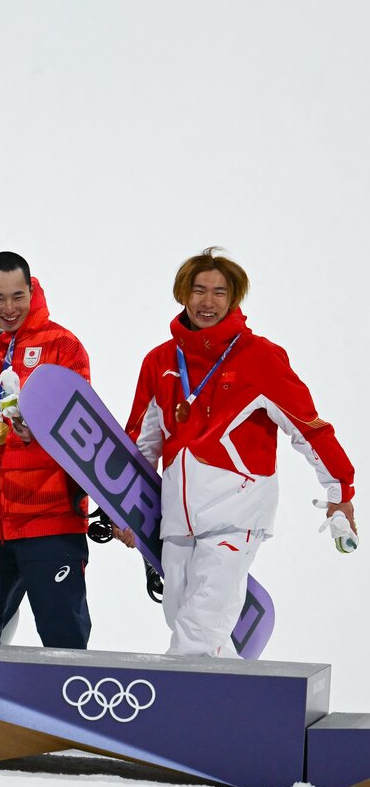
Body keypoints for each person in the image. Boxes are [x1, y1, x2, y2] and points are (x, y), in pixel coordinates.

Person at [126, 248, 356, 658]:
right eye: (199, 290)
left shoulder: (259, 357)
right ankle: (236, 709)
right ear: (184, 294)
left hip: (236, 513)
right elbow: (143, 444)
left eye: (219, 292)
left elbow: (309, 428)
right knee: (184, 617)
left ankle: (180, 717)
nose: (207, 302)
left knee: (199, 629)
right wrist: (126, 512)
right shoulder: (159, 361)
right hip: (178, 519)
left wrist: (341, 492)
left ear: (234, 299)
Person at [0, 250, 130, 648]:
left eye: (18, 296)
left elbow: (84, 437)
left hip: (50, 521)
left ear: (32, 289)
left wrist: (38, 434)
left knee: (64, 645)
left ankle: (69, 712)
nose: (9, 308)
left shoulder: (64, 347)